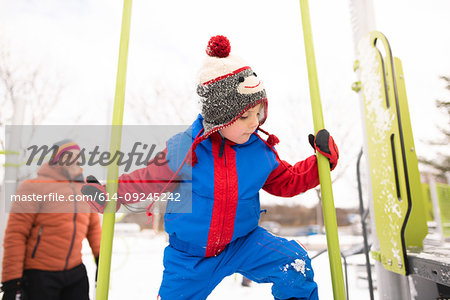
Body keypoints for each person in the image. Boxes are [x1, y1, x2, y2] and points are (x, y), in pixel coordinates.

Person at [83, 35, 339, 300]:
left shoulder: (259, 151)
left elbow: (288, 180)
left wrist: (321, 162)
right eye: (244, 116)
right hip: (190, 255)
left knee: (293, 263)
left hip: (243, 242)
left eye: (259, 113)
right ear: (219, 117)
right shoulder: (184, 149)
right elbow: (147, 179)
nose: (254, 123)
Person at [1, 140, 102, 300]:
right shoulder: (33, 187)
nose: (75, 161)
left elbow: (94, 229)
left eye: (78, 157)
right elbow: (16, 235)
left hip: (75, 273)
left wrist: (100, 258)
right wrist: (11, 282)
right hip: (40, 275)